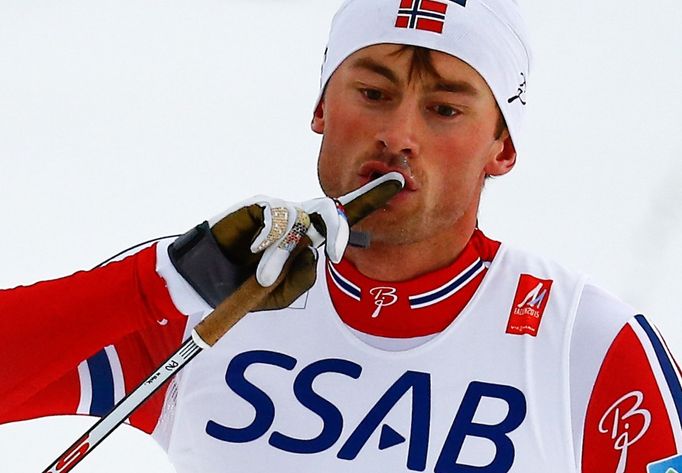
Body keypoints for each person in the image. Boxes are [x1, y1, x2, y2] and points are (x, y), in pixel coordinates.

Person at [1, 0, 681, 471]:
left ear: (501, 147)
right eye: (374, 93)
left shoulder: (587, 345)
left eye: (444, 108)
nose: (398, 136)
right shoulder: (207, 293)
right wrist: (156, 284)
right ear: (322, 106)